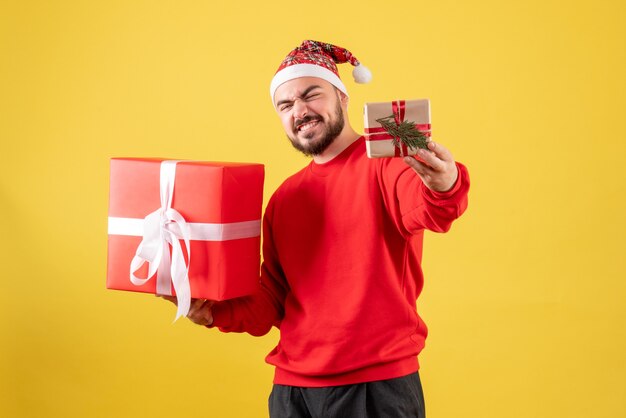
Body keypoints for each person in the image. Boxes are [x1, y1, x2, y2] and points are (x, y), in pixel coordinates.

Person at [161, 40, 470, 418]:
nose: (300, 111)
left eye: (311, 95)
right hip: (292, 392)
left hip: (375, 389)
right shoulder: (283, 199)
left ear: (342, 97)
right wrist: (212, 313)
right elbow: (270, 303)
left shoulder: (389, 164)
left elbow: (432, 208)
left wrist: (445, 182)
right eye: (286, 105)